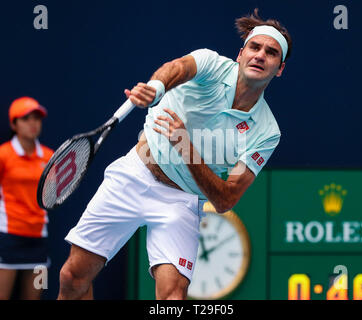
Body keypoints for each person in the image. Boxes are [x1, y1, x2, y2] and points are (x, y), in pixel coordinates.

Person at [58, 8, 292, 300]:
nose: (260, 55)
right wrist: (156, 88)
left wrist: (186, 148)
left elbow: (225, 200)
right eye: (254, 47)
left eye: (270, 53)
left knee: (173, 299)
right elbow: (178, 68)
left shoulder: (267, 131)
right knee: (72, 277)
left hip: (181, 200)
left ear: (279, 68)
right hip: (135, 173)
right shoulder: (211, 63)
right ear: (240, 53)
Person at [0, 97, 54, 300]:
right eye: (25, 119)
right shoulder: (3, 155)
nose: (33, 123)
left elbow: (52, 195)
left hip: (39, 239)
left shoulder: (49, 157)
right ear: (14, 124)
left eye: (37, 118)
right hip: (7, 238)